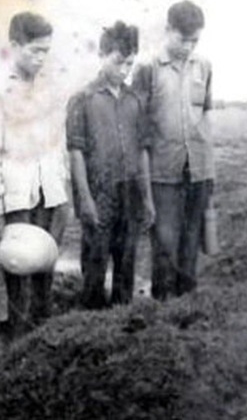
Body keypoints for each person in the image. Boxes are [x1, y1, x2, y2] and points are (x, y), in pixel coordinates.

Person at [0, 11, 69, 338]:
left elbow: (57, 139)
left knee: (45, 266)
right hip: (16, 193)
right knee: (18, 268)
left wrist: (63, 187)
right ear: (15, 45)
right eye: (35, 50)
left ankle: (43, 337)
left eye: (46, 51)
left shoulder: (50, 86)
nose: (41, 58)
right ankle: (17, 341)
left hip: (50, 190)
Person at [66, 21, 154, 310]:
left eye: (130, 63)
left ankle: (120, 326)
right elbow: (76, 153)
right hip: (98, 191)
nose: (124, 70)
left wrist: (148, 199)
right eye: (118, 62)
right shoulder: (82, 99)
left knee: (126, 261)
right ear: (102, 55)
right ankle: (91, 325)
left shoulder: (135, 101)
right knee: (95, 262)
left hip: (130, 191)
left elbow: (142, 151)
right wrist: (86, 199)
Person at [132, 0, 214, 300]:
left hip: (198, 170)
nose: (189, 47)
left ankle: (187, 309)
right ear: (168, 30)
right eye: (183, 39)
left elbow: (205, 115)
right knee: (165, 243)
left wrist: (210, 170)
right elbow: (138, 130)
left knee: (192, 241)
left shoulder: (204, 67)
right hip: (162, 172)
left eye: (195, 41)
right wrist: (143, 184)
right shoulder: (147, 69)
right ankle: (163, 309)